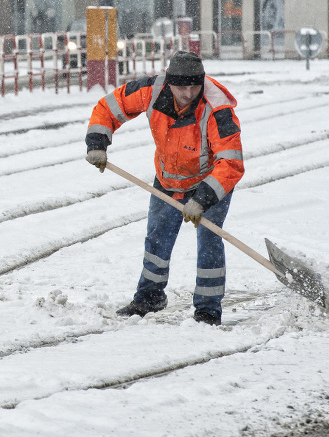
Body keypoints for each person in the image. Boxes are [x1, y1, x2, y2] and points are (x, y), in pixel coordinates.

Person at [85, 51, 244, 326]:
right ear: (170, 82)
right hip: (168, 180)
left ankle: (208, 309)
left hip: (211, 182)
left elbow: (231, 163)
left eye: (195, 86)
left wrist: (202, 200)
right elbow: (108, 107)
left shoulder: (217, 107)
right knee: (157, 239)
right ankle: (149, 298)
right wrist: (97, 143)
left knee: (209, 243)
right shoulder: (152, 91)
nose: (189, 93)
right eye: (182, 87)